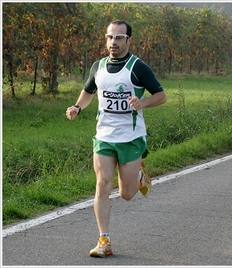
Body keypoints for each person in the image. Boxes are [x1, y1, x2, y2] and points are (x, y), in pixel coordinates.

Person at [65, 20, 167, 257]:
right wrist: (78, 107)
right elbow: (88, 92)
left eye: (119, 38)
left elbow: (161, 96)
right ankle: (104, 240)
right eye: (110, 37)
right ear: (106, 39)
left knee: (127, 194)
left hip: (131, 137)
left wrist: (143, 102)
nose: (114, 42)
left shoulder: (138, 67)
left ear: (128, 40)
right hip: (104, 136)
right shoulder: (98, 67)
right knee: (102, 185)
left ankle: (139, 175)